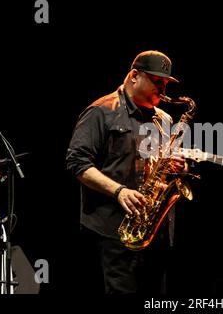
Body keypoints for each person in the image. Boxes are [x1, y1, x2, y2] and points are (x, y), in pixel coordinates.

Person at [66, 50, 187, 294]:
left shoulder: (163, 118)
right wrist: (118, 191)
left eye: (165, 83)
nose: (163, 90)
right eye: (157, 82)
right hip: (116, 231)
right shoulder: (101, 111)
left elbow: (165, 166)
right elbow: (77, 163)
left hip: (155, 232)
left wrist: (179, 167)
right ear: (134, 76)